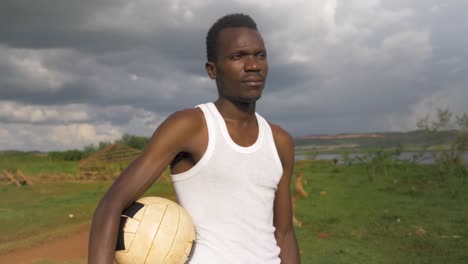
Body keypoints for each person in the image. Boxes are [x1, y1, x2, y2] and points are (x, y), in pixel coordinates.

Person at [88, 13, 300, 264]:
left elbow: (284, 234)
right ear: (212, 70)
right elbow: (112, 204)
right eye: (238, 56)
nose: (253, 65)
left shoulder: (279, 141)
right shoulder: (191, 127)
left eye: (260, 55)